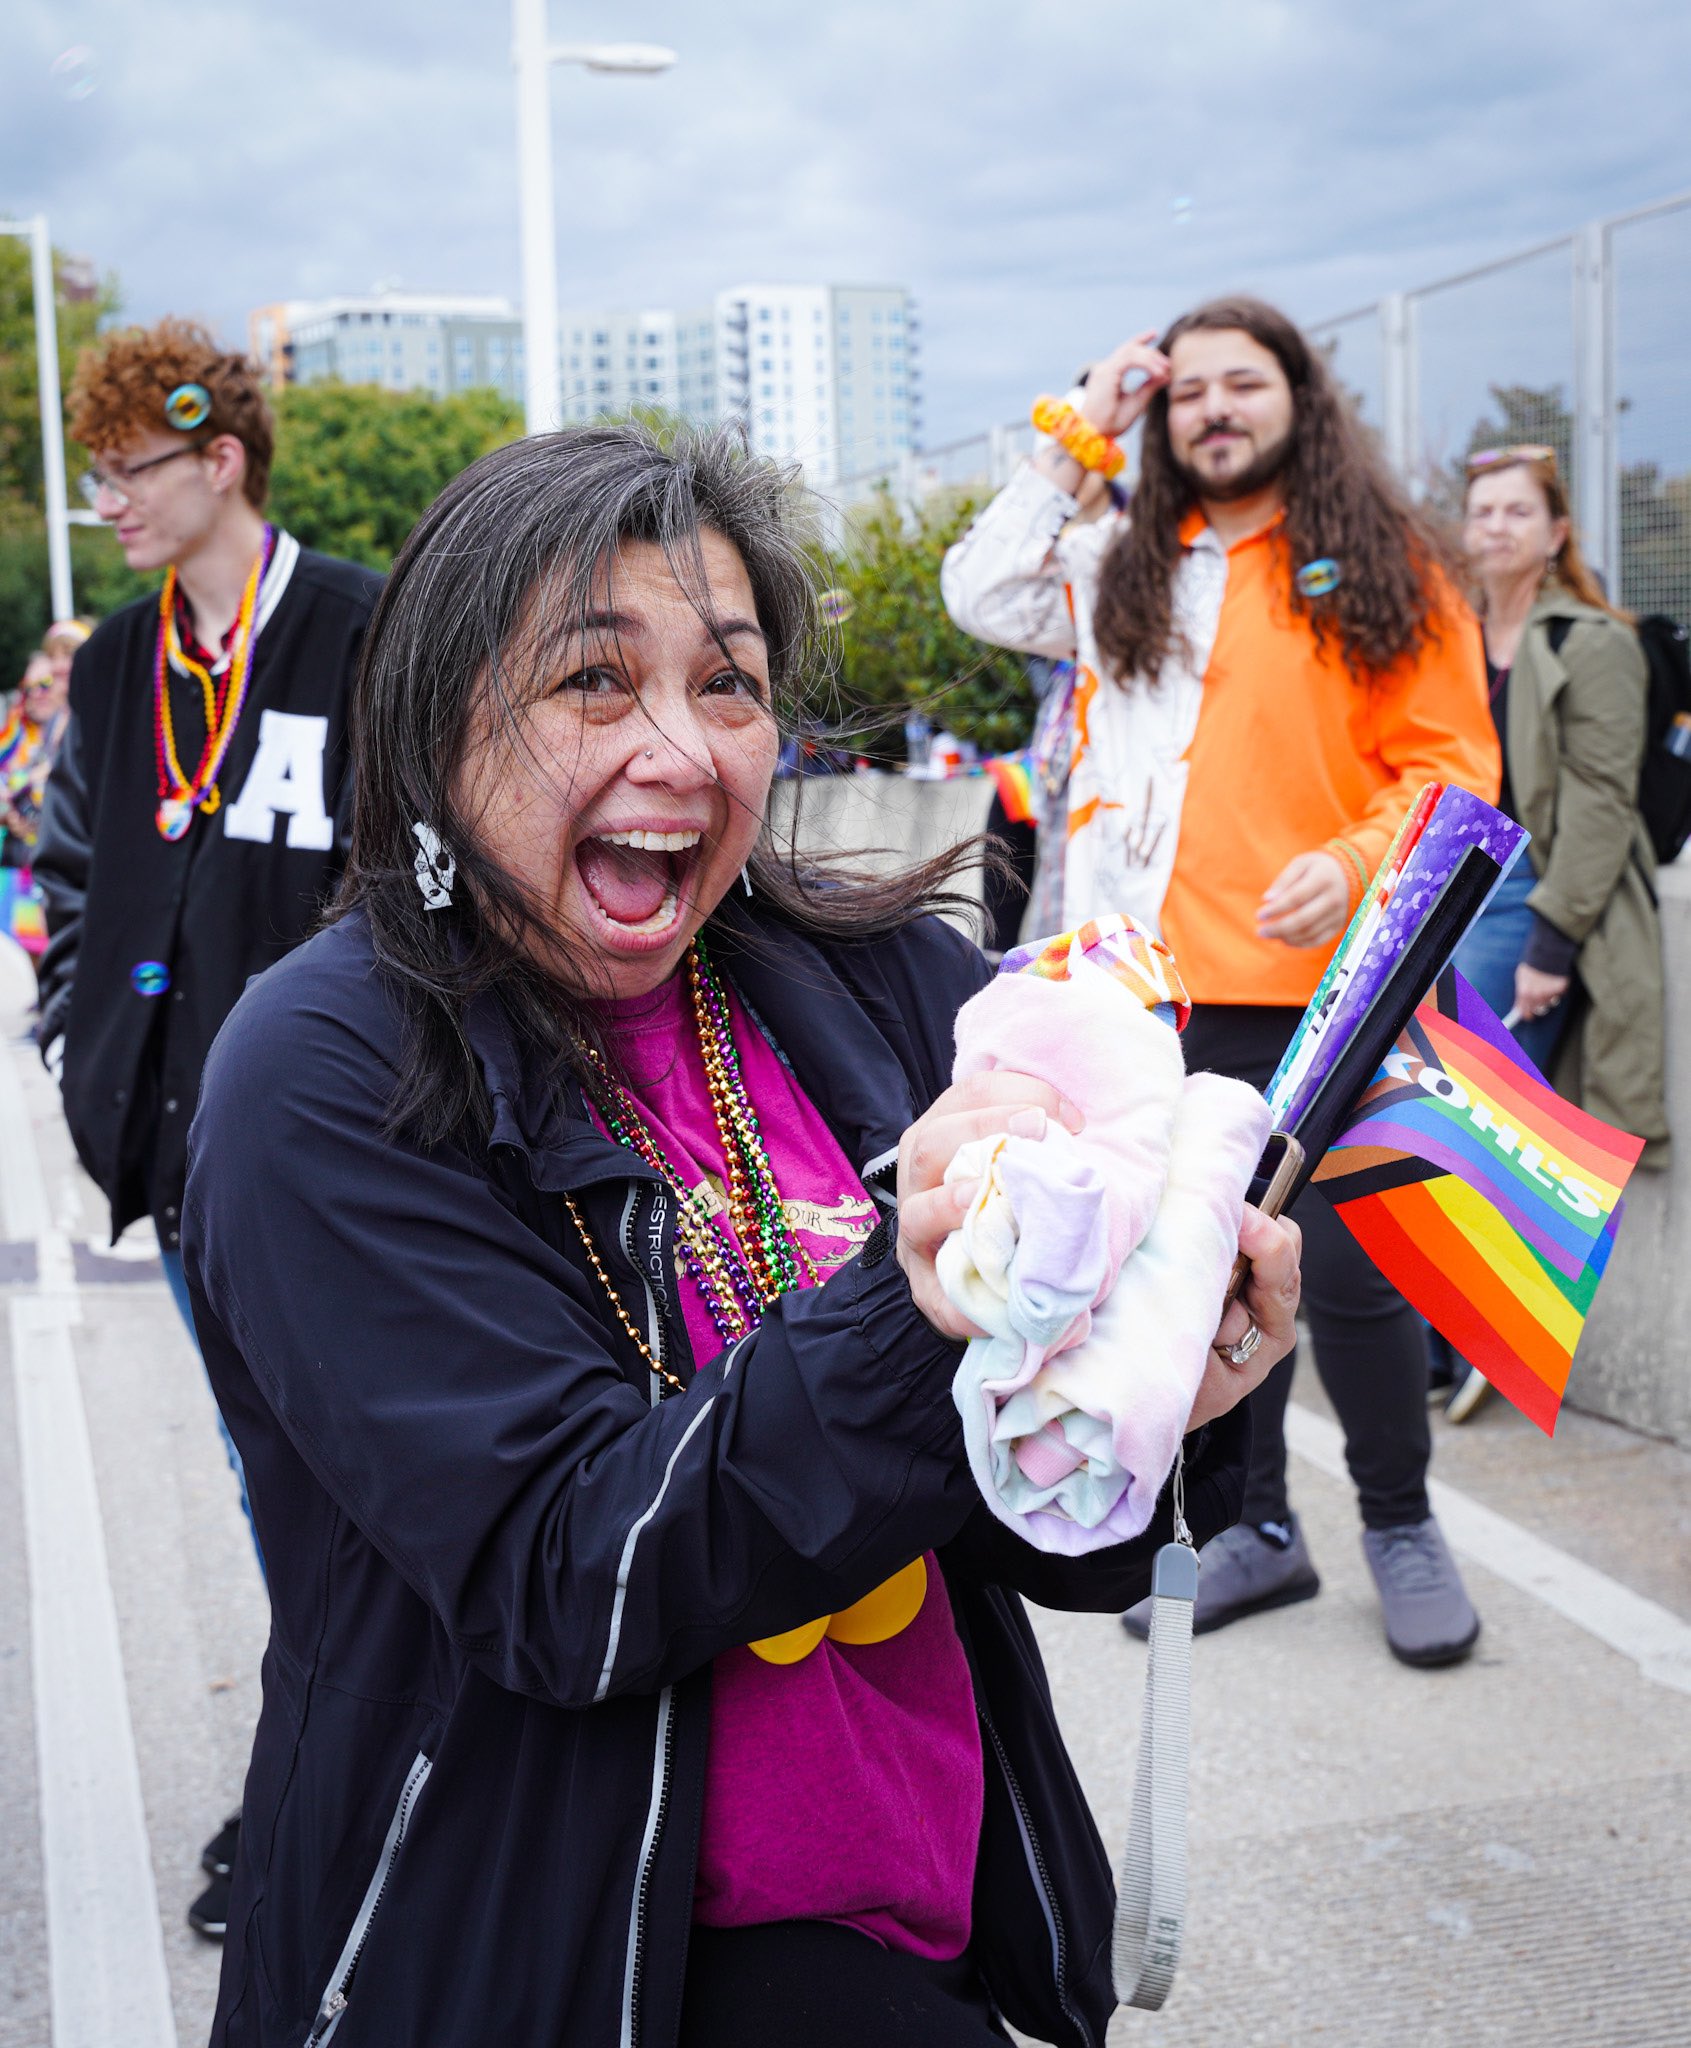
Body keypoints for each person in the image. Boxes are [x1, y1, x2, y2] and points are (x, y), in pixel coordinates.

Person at [181, 423, 1302, 2048]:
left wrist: (1165, 1379)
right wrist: (926, 1313)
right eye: (591, 681)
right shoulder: (319, 1075)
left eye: (729, 683)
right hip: (558, 1946)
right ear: (432, 725)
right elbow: (564, 1571)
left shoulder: (886, 996)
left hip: (931, 1907)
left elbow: (1042, 1538)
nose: (686, 750)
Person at [943, 297, 1502, 1669]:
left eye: (1238, 382)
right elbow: (980, 586)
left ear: (1298, 398)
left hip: (1328, 990)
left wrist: (1354, 853)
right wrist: (1089, 417)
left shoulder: (1386, 567)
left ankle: (1396, 1522)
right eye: (1181, 389)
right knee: (1199, 1272)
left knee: (1357, 1279)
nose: (1208, 408)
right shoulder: (1129, 564)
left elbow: (1453, 772)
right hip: (1157, 999)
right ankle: (1255, 1529)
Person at [31, 317, 381, 1938]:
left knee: (361, 1466)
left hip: (348, 1156)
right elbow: (76, 876)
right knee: (275, 1475)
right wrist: (76, 1037)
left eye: (128, 472)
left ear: (219, 458)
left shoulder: (361, 631)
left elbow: (418, 883)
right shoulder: (115, 659)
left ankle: (357, 1771)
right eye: (95, 474)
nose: (105, 502)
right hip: (178, 1159)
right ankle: (333, 1762)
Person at [1434, 445, 1669, 1421]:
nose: (1493, 526)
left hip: (1527, 891)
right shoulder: (1447, 633)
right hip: (1446, 884)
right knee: (1437, 1112)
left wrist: (1548, 946)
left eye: (1514, 512)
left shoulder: (1589, 641)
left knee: (1472, 1120)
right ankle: (1451, 1326)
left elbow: (1601, 804)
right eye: (1479, 510)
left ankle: (1474, 1330)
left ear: (1556, 532)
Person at [0, 650, 72, 964]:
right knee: (30, 950)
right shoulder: (13, 742)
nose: (37, 695)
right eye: (28, 688)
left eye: (45, 684)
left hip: (67, 875)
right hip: (20, 872)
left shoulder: (78, 736)